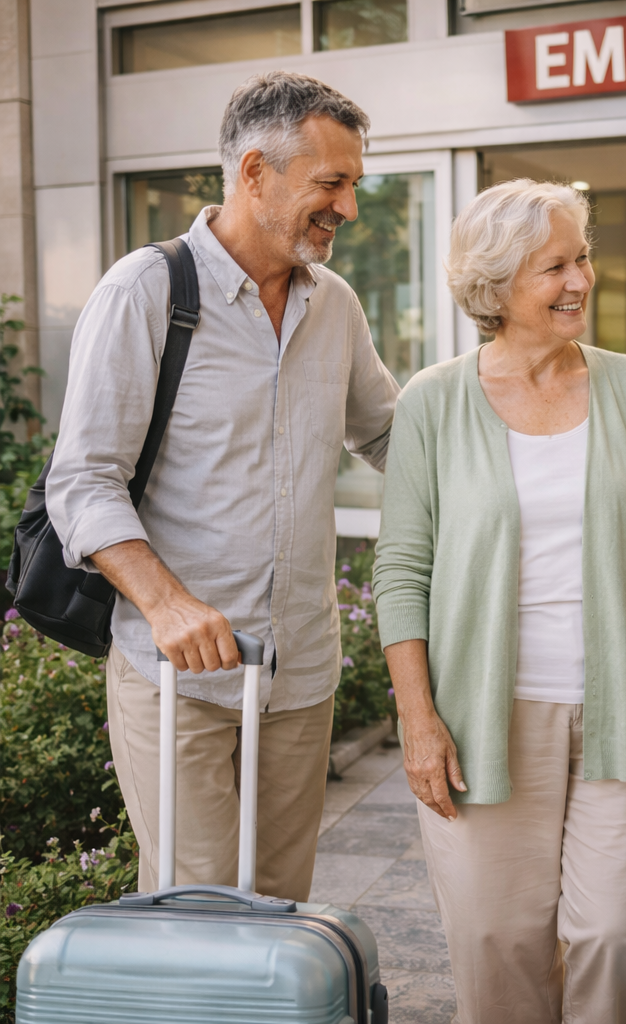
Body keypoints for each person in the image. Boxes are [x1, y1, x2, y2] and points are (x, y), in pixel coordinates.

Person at [372, 179, 626, 1024]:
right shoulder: (433, 401)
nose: (580, 281)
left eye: (582, 257)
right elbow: (401, 567)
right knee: (498, 947)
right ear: (493, 288)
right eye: (552, 267)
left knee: (612, 938)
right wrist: (417, 719)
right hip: (483, 718)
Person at [45, 72, 400, 900]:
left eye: (355, 184)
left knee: (278, 909)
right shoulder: (146, 291)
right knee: (197, 907)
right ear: (253, 172)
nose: (348, 207)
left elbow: (386, 433)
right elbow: (83, 482)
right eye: (331, 184)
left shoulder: (333, 304)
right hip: (179, 679)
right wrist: (166, 603)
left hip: (300, 674)